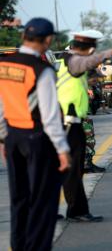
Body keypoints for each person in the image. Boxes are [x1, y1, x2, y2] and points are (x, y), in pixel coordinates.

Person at [0, 17, 71, 251]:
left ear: (23, 37)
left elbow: (1, 106)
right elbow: (50, 117)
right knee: (42, 201)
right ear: (48, 40)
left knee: (19, 198)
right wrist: (62, 149)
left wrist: (3, 137)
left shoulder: (5, 65)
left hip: (13, 138)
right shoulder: (42, 70)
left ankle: (19, 246)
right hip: (37, 139)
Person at [56, 29, 112, 222]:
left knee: (74, 168)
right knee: (72, 169)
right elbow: (88, 62)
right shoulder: (73, 60)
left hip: (70, 121)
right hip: (67, 122)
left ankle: (70, 209)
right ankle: (76, 211)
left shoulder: (66, 60)